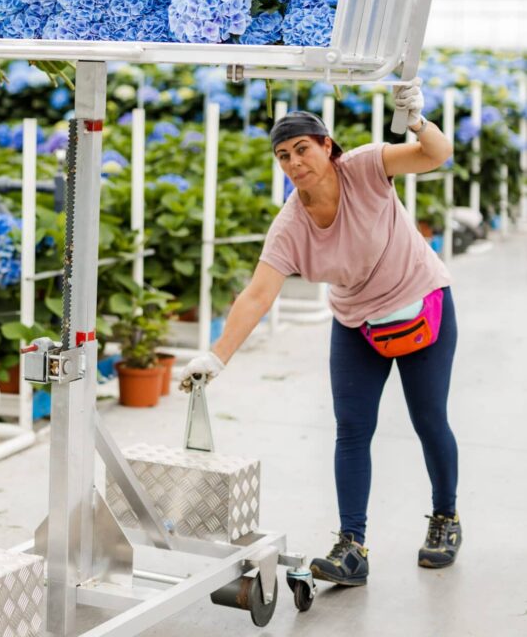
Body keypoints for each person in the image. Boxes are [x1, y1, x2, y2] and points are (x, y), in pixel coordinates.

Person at [179, 80, 461, 586]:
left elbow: (435, 155)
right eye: (283, 155)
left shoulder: (366, 167)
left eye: (302, 149)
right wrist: (216, 358)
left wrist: (417, 119)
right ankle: (352, 546)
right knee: (352, 429)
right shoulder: (290, 226)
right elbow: (258, 295)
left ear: (328, 147)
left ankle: (446, 519)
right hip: (358, 322)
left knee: (428, 419)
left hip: (422, 301)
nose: (293, 162)